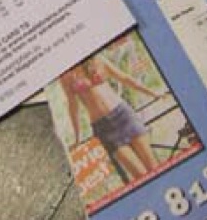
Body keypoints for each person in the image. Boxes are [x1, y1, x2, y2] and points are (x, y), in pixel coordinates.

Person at [60, 54, 162, 182]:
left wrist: (152, 93)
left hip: (124, 116)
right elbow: (73, 106)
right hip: (104, 127)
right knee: (140, 176)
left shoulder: (96, 59)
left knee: (154, 168)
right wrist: (77, 137)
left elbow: (124, 78)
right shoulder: (66, 75)